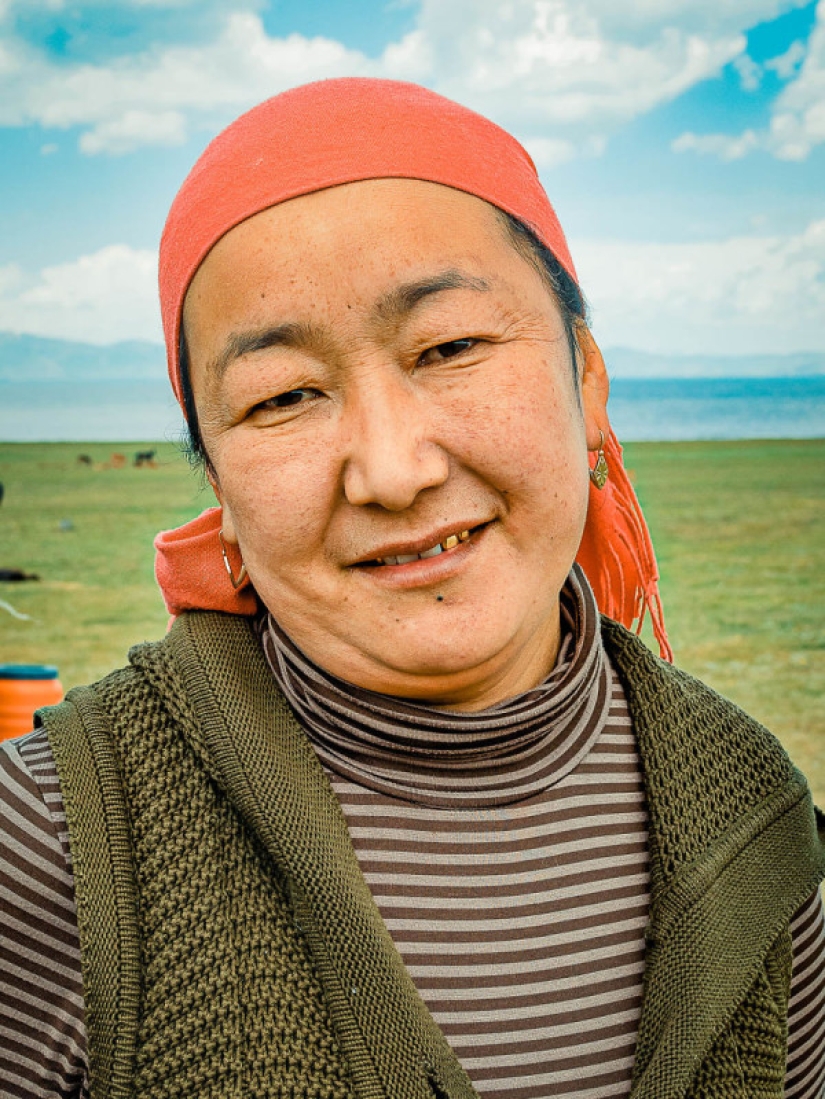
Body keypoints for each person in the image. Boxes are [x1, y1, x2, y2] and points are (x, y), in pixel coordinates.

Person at [1, 79, 823, 1099]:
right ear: (218, 484)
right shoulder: (55, 842)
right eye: (283, 396)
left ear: (587, 378)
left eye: (451, 346)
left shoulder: (753, 814)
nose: (392, 471)